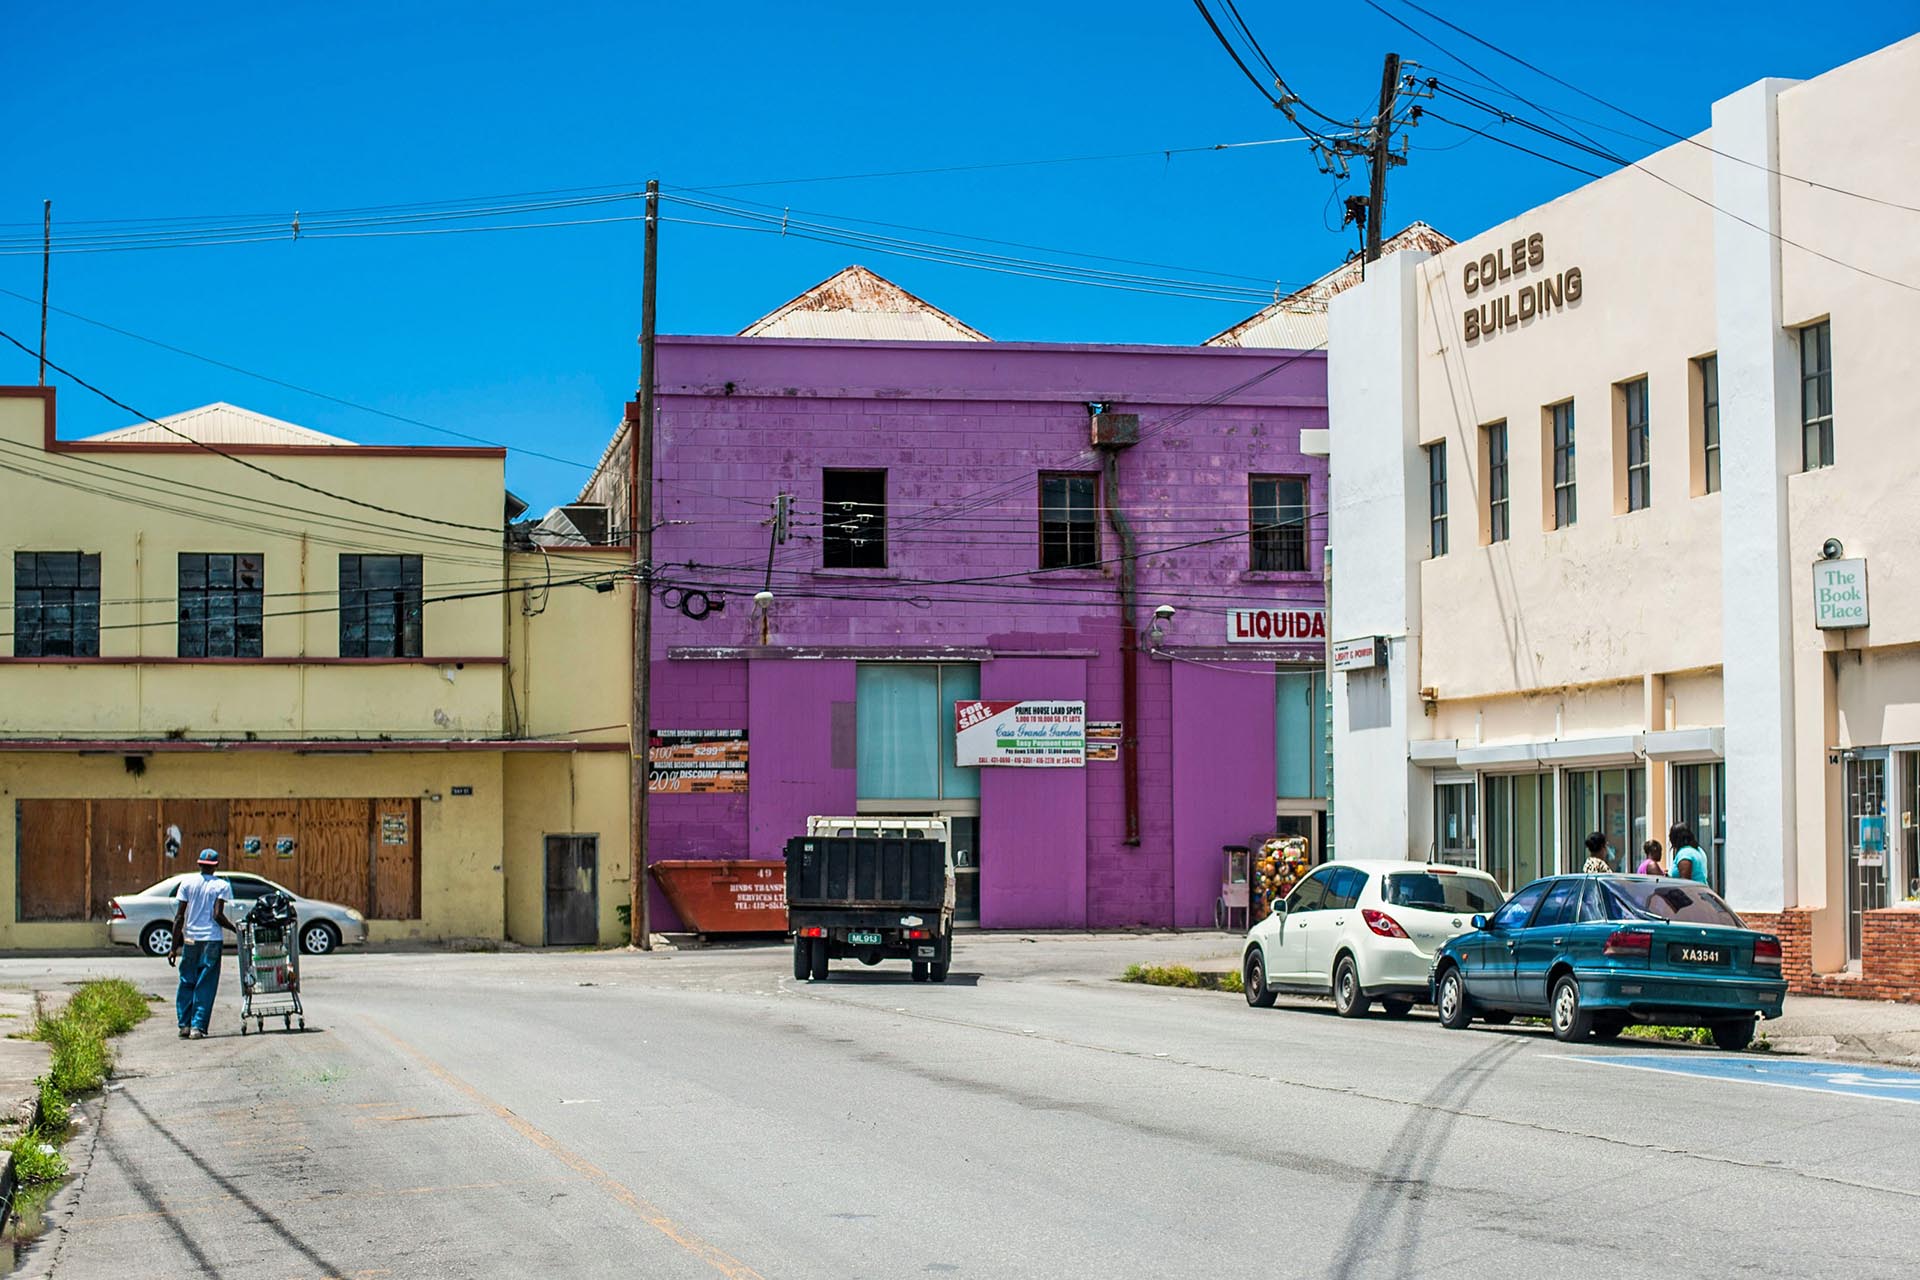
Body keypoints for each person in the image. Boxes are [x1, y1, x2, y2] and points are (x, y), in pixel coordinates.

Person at [170, 848, 238, 1040]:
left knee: (187, 980)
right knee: (205, 983)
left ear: (199, 864)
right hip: (211, 940)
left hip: (191, 938)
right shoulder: (221, 885)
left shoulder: (187, 883)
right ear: (216, 866)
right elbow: (217, 915)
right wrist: (233, 929)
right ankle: (197, 1027)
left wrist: (173, 947)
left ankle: (184, 1024)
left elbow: (179, 917)